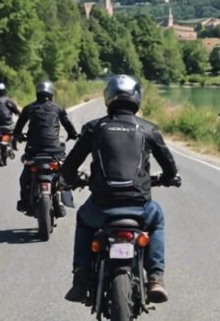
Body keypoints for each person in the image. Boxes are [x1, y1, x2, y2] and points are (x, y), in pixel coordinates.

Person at [60, 75, 179, 304]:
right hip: (140, 207)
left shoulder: (94, 127)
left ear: (108, 96)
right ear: (137, 97)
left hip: (101, 208)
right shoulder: (148, 129)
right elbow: (171, 168)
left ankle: (81, 278)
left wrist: (69, 180)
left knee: (83, 220)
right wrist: (168, 178)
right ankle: (155, 277)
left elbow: (70, 165)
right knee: (157, 219)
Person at [12, 81, 78, 213]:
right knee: (62, 174)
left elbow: (18, 129)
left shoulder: (29, 108)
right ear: (51, 94)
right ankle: (59, 201)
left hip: (33, 152)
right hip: (55, 151)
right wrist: (73, 135)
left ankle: (25, 201)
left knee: (24, 177)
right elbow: (69, 126)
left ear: (37, 93)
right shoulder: (57, 108)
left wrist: (19, 136)